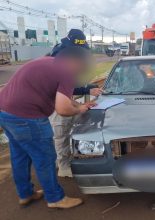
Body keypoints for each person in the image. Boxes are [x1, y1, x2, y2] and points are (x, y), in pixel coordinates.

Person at [0, 46, 95, 209]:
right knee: (44, 157)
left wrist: (80, 105)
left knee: (20, 156)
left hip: (5, 113)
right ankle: (55, 198)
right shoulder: (66, 72)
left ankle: (25, 194)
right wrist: (79, 109)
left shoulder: (48, 62)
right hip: (28, 117)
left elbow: (62, 98)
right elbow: (63, 109)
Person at [48, 29, 103, 178]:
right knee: (60, 132)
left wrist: (86, 90)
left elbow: (69, 86)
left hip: (59, 97)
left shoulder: (64, 56)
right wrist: (85, 93)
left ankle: (60, 160)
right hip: (54, 101)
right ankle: (63, 167)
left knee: (67, 130)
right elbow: (63, 88)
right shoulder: (58, 59)